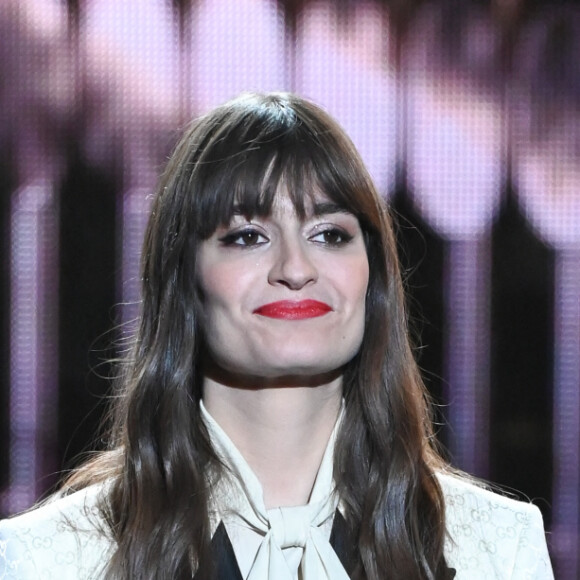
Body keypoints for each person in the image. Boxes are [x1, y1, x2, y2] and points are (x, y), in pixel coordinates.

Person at [0, 92, 553, 579]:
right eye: (247, 236)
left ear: (373, 276)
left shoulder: (495, 550)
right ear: (183, 279)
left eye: (330, 233)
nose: (295, 266)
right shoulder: (49, 560)